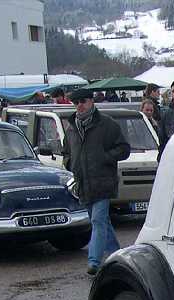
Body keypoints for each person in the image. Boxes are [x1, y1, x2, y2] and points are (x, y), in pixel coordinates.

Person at [61, 88, 130, 276]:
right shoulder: (71, 128)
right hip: (83, 182)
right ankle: (118, 256)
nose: (80, 106)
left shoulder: (107, 125)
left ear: (91, 102)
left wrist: (105, 157)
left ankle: (94, 261)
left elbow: (124, 149)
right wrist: (70, 164)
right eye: (76, 103)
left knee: (98, 220)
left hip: (103, 181)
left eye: (83, 101)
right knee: (102, 223)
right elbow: (66, 152)